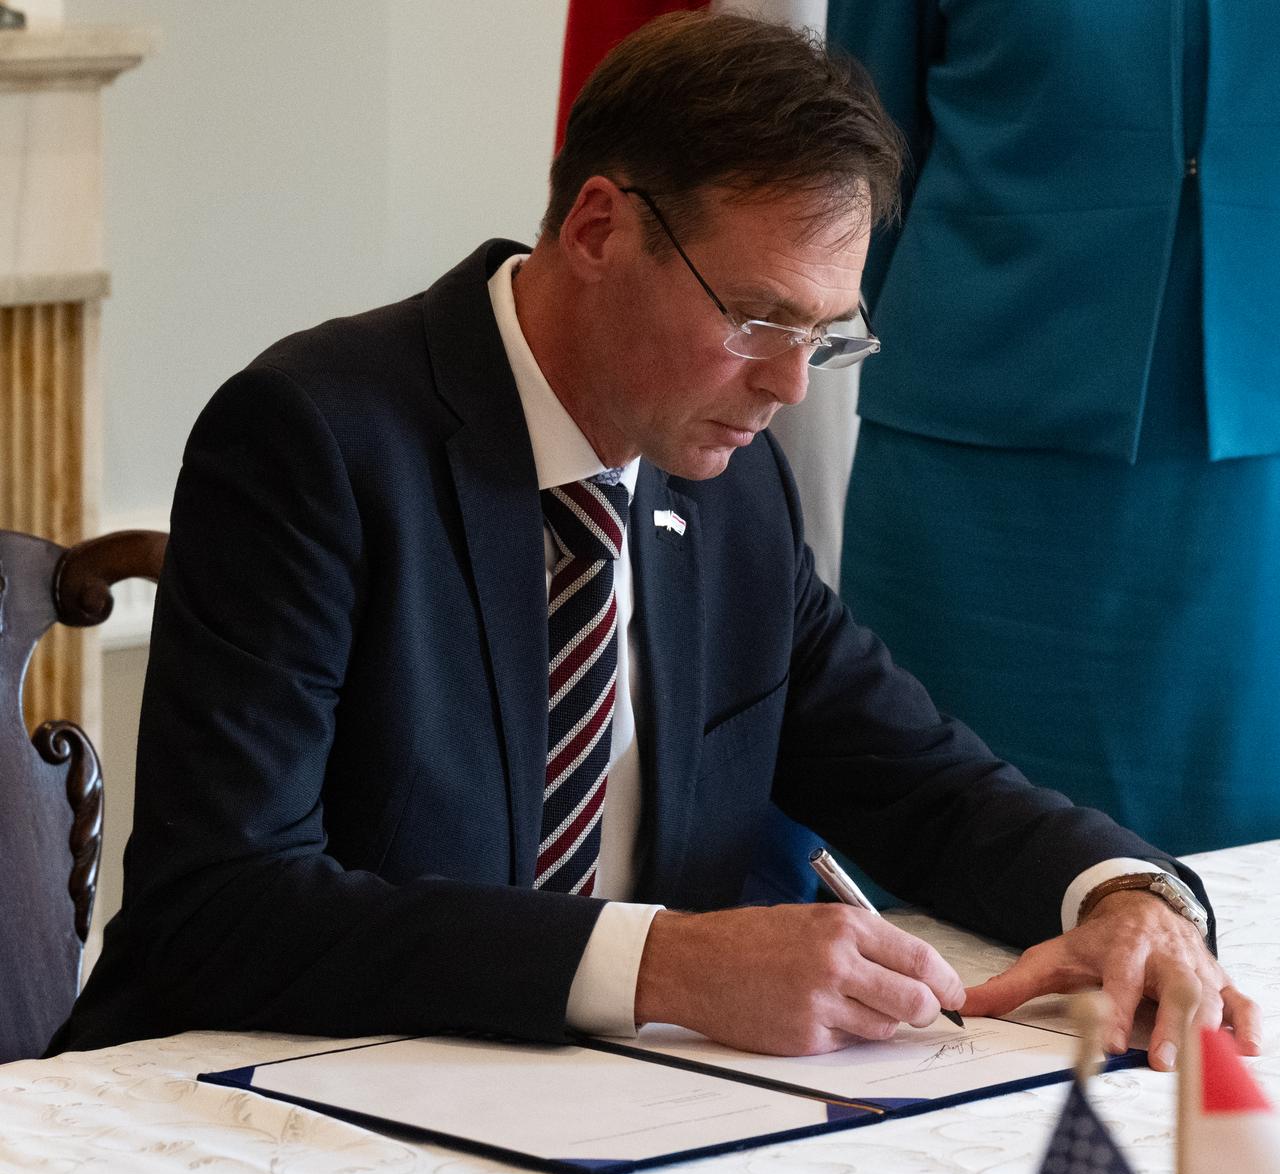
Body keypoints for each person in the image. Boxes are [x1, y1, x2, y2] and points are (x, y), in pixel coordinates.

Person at [56, 12, 1256, 1068]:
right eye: (756, 318)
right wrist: (662, 964)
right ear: (596, 228)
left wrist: (1120, 893)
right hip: (270, 1104)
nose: (788, 385)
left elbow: (915, 779)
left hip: (616, 1114)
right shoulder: (313, 439)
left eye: (825, 335)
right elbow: (218, 908)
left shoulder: (725, 479)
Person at [833, 3, 1280, 859]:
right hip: (973, 446)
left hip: (1250, 471)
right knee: (940, 828)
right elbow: (855, 151)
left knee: (1237, 863)